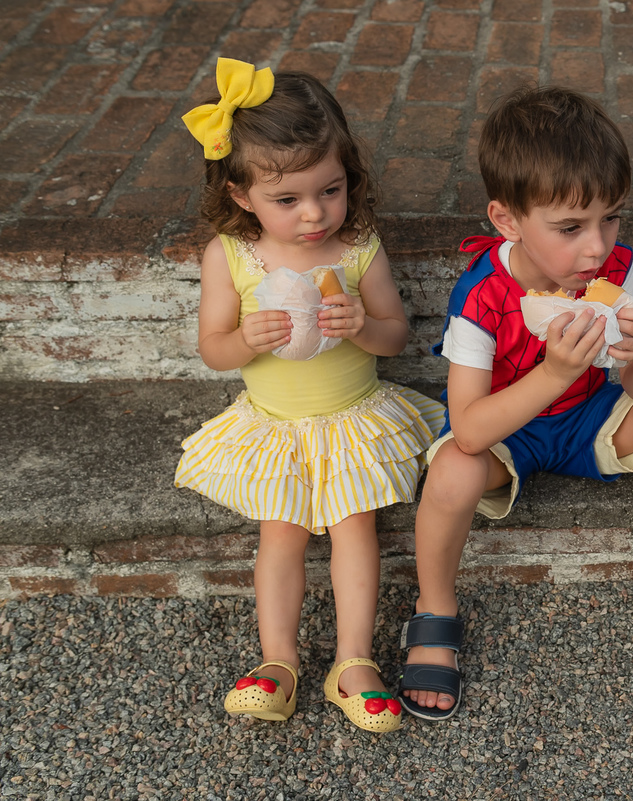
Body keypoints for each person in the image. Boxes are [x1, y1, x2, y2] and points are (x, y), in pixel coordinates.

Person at [401, 85, 633, 721]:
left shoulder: (614, 270)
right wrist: (554, 373)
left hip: (588, 418)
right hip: (506, 432)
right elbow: (470, 430)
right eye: (570, 228)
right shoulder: (480, 297)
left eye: (611, 218)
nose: (596, 246)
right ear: (507, 221)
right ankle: (434, 607)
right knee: (449, 472)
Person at [175, 58, 444, 732]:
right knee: (281, 535)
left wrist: (364, 325)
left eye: (330, 189)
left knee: (357, 530)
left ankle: (353, 661)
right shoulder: (231, 256)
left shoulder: (357, 249)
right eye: (288, 200)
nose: (316, 213)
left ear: (349, 176)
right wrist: (246, 339)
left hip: (353, 419)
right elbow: (213, 348)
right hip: (275, 425)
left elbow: (395, 334)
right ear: (242, 195)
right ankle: (279, 661)